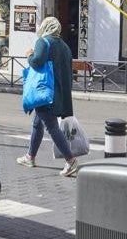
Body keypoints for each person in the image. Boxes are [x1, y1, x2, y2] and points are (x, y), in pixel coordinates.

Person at [17, 17, 80, 177]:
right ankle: (30, 157)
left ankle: (71, 161)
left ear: (46, 27)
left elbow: (37, 61)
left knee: (51, 126)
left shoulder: (43, 42)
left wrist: (29, 55)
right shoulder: (64, 46)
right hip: (58, 92)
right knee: (38, 123)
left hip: (45, 91)